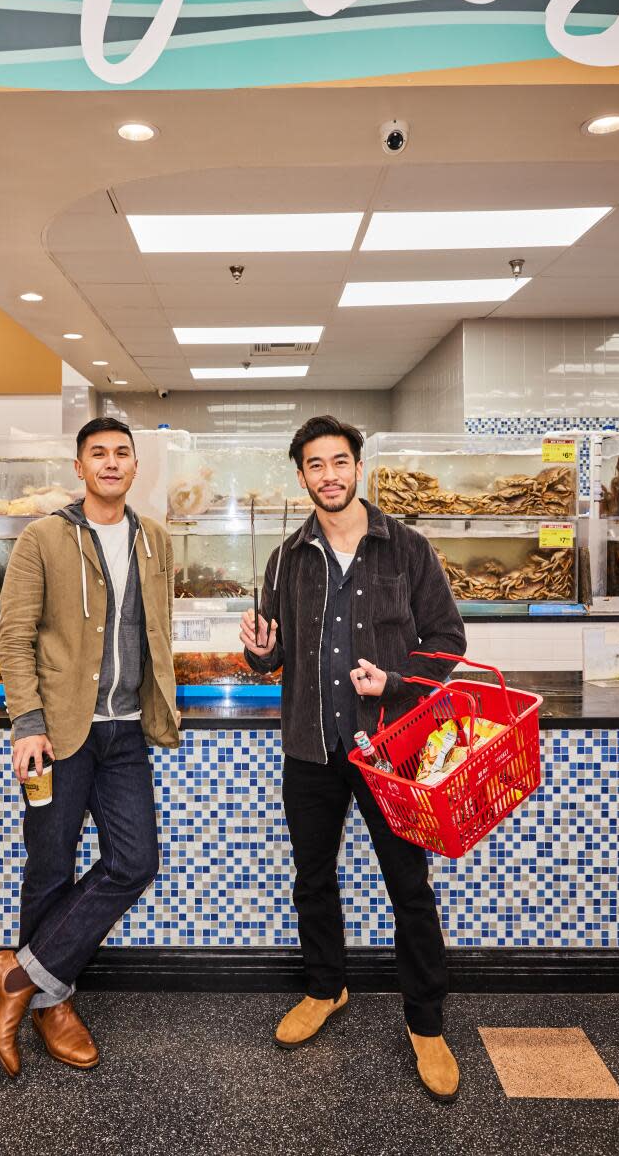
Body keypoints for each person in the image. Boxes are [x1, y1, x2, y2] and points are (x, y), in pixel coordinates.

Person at [240, 415, 467, 1103]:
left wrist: (395, 685)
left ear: (358, 468)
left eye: (340, 461)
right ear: (302, 475)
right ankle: (325, 988)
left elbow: (447, 640)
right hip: (311, 747)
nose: (329, 475)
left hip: (388, 749)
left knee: (410, 887)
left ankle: (426, 1023)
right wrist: (258, 651)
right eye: (315, 465)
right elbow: (275, 656)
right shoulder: (286, 557)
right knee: (312, 878)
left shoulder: (408, 549)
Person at [0, 417, 178, 1078]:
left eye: (123, 453)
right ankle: (52, 1003)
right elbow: (15, 636)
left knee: (135, 860)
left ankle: (17, 974)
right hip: (59, 733)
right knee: (50, 867)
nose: (112, 463)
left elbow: (158, 629)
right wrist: (27, 721)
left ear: (135, 466)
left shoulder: (154, 539)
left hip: (125, 732)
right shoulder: (44, 538)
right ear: (80, 465)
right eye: (99, 453)